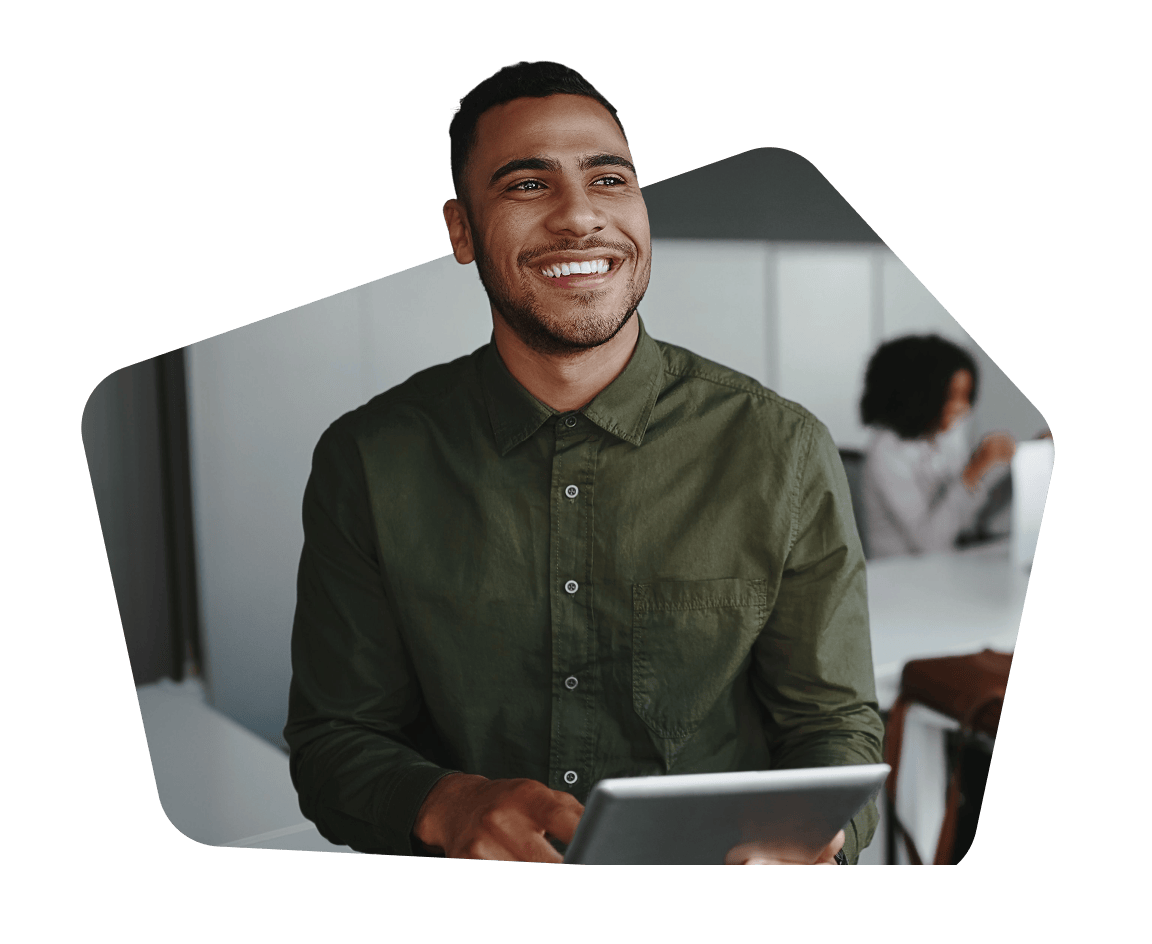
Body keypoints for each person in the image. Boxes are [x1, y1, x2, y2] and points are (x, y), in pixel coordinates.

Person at [284, 61, 883, 865]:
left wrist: (814, 841)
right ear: (461, 231)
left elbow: (833, 728)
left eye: (609, 179)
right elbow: (334, 740)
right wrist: (444, 801)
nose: (579, 217)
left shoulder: (782, 450)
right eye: (527, 185)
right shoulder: (369, 459)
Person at [859, 334, 1016, 559]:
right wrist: (973, 471)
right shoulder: (886, 452)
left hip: (946, 568)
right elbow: (932, 543)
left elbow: (970, 520)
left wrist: (1020, 471)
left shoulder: (943, 439)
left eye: (966, 396)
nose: (963, 408)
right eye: (953, 397)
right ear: (921, 395)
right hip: (901, 578)